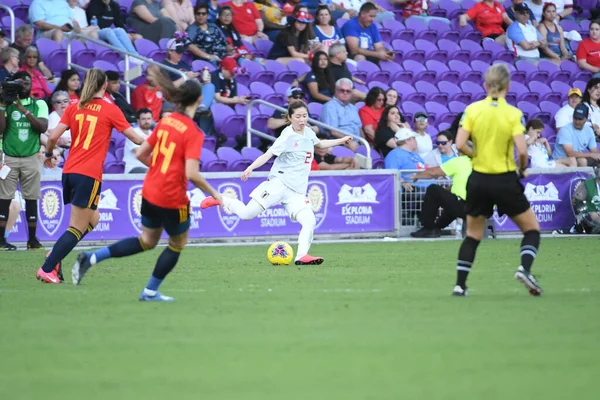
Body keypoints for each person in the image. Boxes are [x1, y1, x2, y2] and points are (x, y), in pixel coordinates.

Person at [71, 70, 221, 301]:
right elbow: (192, 173)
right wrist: (213, 193)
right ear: (199, 100)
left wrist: (160, 169)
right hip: (172, 196)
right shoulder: (193, 131)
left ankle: (91, 258)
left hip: (150, 191)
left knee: (147, 240)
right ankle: (150, 291)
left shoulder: (165, 121)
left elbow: (141, 153)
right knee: (177, 243)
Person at [200, 100, 353, 265]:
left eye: (305, 116)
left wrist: (341, 140)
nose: (302, 120)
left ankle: (302, 256)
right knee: (246, 214)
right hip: (279, 184)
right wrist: (250, 168)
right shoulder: (287, 136)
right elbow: (268, 155)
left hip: (296, 191)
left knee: (309, 221)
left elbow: (320, 144)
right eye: (298, 117)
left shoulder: (308, 132)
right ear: (290, 117)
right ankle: (222, 199)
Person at [36, 68, 143, 284]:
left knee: (94, 219)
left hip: (70, 171)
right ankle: (48, 268)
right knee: (77, 227)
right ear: (104, 86)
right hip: (88, 173)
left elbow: (54, 135)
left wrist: (48, 155)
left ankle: (56, 254)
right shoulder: (110, 109)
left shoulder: (75, 106)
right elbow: (137, 139)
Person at [453, 63, 542, 297]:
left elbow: (460, 144)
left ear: (485, 85)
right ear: (508, 86)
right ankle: (524, 268)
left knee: (472, 235)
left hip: (479, 179)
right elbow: (522, 150)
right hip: (504, 179)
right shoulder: (513, 114)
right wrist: (522, 169)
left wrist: (477, 156)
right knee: (531, 229)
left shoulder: (472, 110)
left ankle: (460, 286)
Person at [0, 71, 49, 251]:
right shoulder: (6, 103)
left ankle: (33, 240)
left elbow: (43, 127)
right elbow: (1, 130)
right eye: (21, 83)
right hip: (10, 157)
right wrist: (3, 105)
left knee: (31, 198)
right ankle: (1, 240)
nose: (24, 86)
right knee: (4, 198)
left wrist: (24, 110)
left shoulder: (40, 104)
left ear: (31, 84)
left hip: (31, 157)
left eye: (27, 82)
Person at [408, 151, 473, 238]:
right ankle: (437, 228)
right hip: (484, 209)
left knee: (433, 189)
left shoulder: (461, 161)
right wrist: (443, 193)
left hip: (465, 207)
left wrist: (417, 175)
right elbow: (463, 184)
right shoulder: (481, 164)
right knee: (451, 200)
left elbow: (434, 172)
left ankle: (428, 228)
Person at [320, 78, 361, 151]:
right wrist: (349, 141)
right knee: (354, 146)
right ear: (336, 91)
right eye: (342, 90)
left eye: (348, 91)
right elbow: (333, 132)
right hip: (339, 142)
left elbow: (359, 128)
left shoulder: (353, 108)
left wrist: (365, 143)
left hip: (356, 141)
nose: (345, 93)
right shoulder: (330, 106)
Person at [125, 108, 154, 173]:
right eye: (143, 119)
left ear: (152, 120)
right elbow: (140, 152)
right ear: (138, 121)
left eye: (149, 118)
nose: (146, 121)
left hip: (148, 167)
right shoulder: (133, 133)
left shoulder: (153, 134)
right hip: (133, 168)